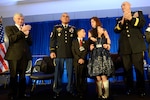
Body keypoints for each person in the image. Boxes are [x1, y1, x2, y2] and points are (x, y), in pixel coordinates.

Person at [114, 1, 146, 97]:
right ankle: (129, 88)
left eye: (124, 4)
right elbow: (116, 30)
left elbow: (141, 23)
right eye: (122, 5)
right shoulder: (119, 19)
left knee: (139, 69)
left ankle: (141, 89)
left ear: (129, 6)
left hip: (136, 47)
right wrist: (123, 21)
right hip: (125, 48)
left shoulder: (137, 14)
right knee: (127, 70)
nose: (122, 6)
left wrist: (131, 18)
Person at [4, 13, 32, 100]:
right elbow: (12, 39)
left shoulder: (25, 29)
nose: (21, 20)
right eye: (19, 19)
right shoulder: (9, 28)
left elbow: (30, 43)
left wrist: (27, 35)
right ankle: (12, 94)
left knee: (23, 76)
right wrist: (22, 31)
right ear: (14, 19)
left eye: (22, 19)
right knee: (14, 76)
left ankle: (22, 94)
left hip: (24, 56)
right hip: (14, 56)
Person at [50, 12, 77, 99]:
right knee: (58, 73)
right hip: (59, 53)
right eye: (64, 16)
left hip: (70, 54)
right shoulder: (56, 28)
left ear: (69, 19)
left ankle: (70, 90)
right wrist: (52, 51)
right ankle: (57, 90)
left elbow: (76, 41)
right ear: (60, 18)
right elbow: (52, 40)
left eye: (67, 16)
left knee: (70, 74)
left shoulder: (73, 29)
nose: (65, 18)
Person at [87, 17, 114, 100]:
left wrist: (108, 45)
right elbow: (89, 41)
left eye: (93, 21)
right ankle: (99, 93)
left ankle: (106, 94)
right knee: (97, 75)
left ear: (97, 22)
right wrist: (90, 46)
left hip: (103, 54)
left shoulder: (104, 30)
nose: (92, 23)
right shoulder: (90, 32)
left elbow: (108, 40)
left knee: (103, 75)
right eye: (91, 22)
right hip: (95, 54)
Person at [71, 28, 88, 99]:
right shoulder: (74, 42)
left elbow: (86, 51)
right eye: (83, 32)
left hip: (84, 62)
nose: (85, 33)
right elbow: (73, 52)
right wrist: (78, 59)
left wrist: (82, 59)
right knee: (77, 77)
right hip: (76, 62)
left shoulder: (86, 42)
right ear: (78, 33)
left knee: (83, 77)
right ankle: (78, 91)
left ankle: (84, 91)